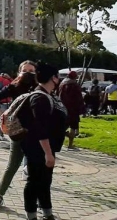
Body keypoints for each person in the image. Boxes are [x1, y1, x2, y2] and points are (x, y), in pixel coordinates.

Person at [20, 62, 68, 220]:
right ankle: (31, 215)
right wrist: (48, 154)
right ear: (53, 78)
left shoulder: (49, 95)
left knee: (45, 181)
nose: (59, 80)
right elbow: (40, 128)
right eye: (58, 77)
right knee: (34, 181)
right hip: (37, 148)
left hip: (46, 147)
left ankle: (47, 213)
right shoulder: (39, 97)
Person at [0, 60, 37, 211]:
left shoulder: (39, 88)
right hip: (18, 133)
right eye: (25, 70)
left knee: (36, 169)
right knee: (12, 166)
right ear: (19, 72)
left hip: (36, 133)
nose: (28, 73)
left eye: (31, 70)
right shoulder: (13, 86)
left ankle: (37, 201)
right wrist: (2, 114)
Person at [58, 71, 84, 150]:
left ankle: (61, 138)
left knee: (62, 126)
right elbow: (79, 98)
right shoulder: (75, 85)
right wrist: (81, 109)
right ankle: (70, 144)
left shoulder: (62, 84)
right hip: (73, 109)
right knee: (73, 127)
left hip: (62, 107)